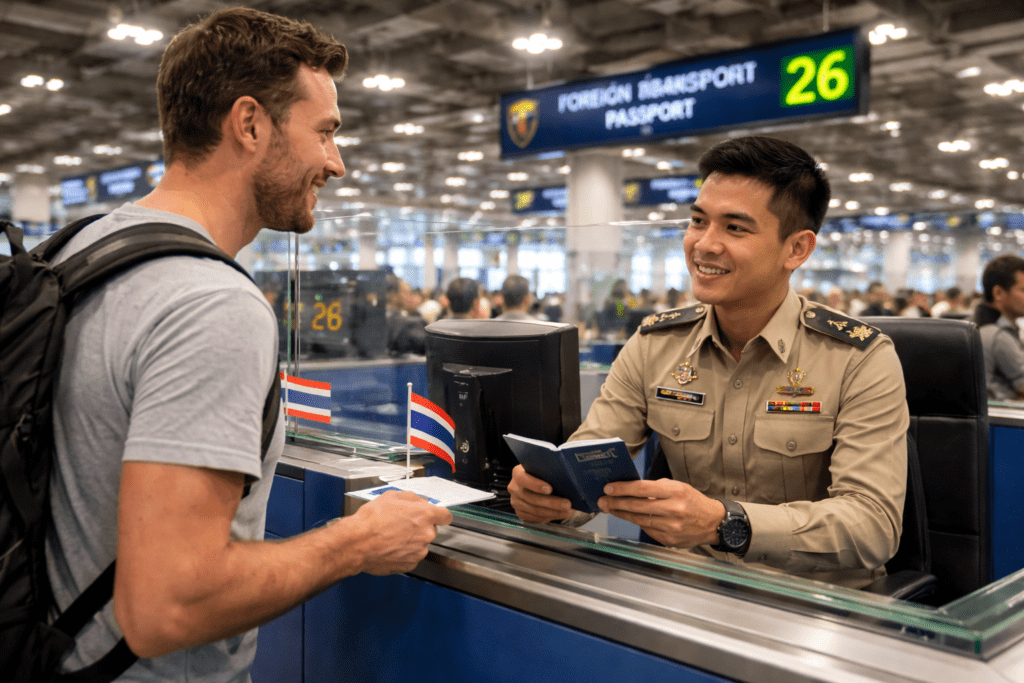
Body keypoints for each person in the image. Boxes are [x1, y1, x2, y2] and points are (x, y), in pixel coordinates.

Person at [45, 8, 451, 681]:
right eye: (325, 132)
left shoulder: (78, 252)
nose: (337, 163)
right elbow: (166, 606)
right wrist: (357, 541)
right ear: (251, 123)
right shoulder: (211, 304)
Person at [508, 135, 909, 589]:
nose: (704, 245)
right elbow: (587, 468)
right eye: (698, 221)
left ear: (796, 249)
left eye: (735, 228)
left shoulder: (859, 358)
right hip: (686, 595)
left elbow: (873, 526)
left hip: (817, 609)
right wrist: (551, 500)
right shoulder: (656, 344)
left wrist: (726, 524)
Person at [976, 255, 1024, 400]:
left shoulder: (972, 323)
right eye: (1023, 290)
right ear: (998, 293)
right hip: (1000, 419)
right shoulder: (997, 334)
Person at [385, 273, 427, 355]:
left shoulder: (375, 318)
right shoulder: (404, 324)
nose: (409, 296)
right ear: (394, 295)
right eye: (405, 292)